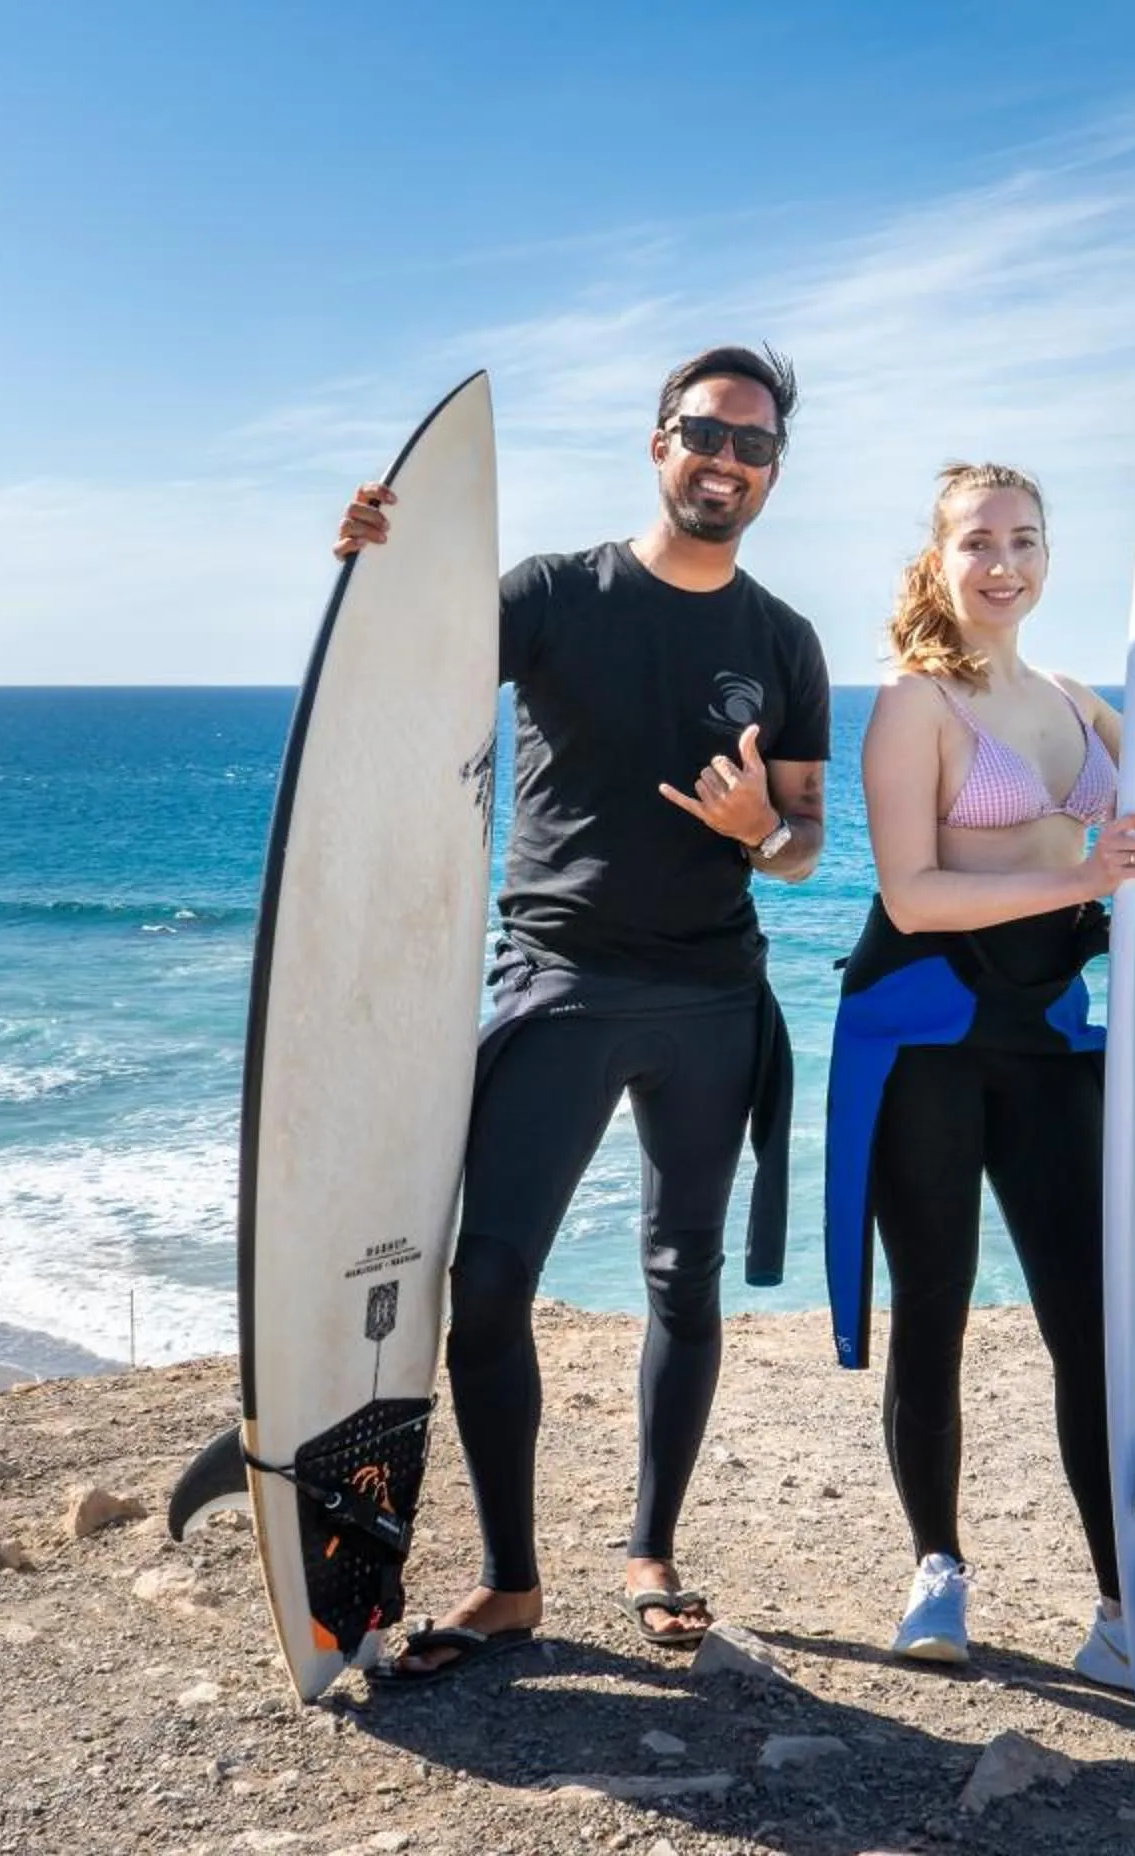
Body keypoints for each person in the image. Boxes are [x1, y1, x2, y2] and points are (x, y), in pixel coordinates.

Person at [334, 346, 831, 1680]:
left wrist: (757, 830)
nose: (725, 461)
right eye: (704, 434)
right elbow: (406, 673)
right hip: (554, 983)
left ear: (774, 473)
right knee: (487, 1287)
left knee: (685, 1277)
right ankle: (509, 1583)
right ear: (658, 441)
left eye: (753, 446)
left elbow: (807, 845)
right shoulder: (554, 595)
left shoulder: (782, 641)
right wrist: (371, 562)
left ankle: (653, 1551)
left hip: (713, 1001)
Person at [823, 461, 1135, 1710]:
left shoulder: (1080, 702)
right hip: (926, 1035)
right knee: (933, 1301)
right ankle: (937, 1570)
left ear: (1050, 557)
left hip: (1046, 1042)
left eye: (1026, 540)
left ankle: (1126, 1609)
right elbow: (912, 892)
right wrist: (1082, 876)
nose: (1004, 562)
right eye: (978, 541)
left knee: (1093, 1323)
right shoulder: (911, 703)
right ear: (937, 557)